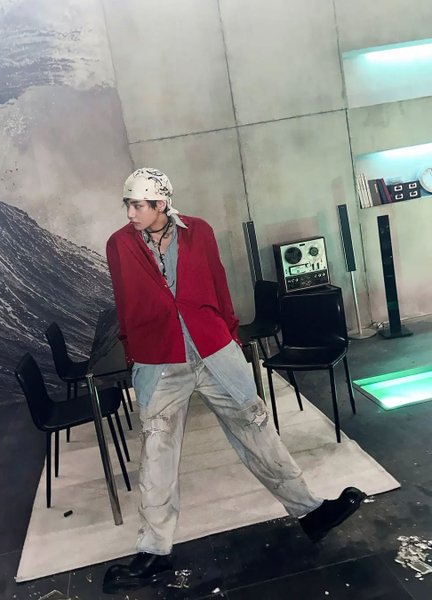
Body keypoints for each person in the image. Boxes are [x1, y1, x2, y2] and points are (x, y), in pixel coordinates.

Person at [103, 168, 365, 592]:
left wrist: (230, 336)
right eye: (127, 205)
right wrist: (135, 354)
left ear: (161, 203)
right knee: (156, 453)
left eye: (138, 205)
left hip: (215, 349)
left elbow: (218, 285)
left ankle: (311, 511)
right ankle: (153, 553)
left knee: (258, 430)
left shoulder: (199, 232)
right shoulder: (119, 244)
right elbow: (124, 301)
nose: (130, 213)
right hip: (159, 360)